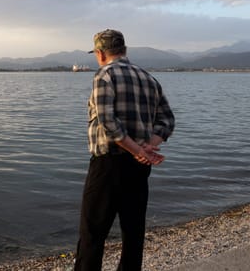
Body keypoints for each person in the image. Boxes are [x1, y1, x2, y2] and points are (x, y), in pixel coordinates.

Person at [74, 29, 175, 271]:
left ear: (99, 53)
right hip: (139, 168)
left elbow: (108, 123)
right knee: (133, 233)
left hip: (108, 165)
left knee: (93, 233)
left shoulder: (104, 76)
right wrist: (148, 146)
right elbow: (167, 120)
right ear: (124, 50)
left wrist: (137, 150)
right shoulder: (149, 79)